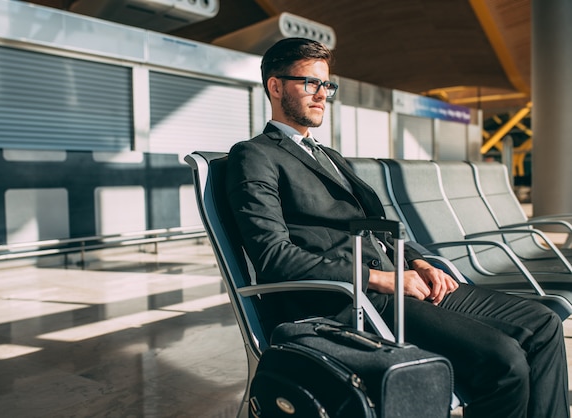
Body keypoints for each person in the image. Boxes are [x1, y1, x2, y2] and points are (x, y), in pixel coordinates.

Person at [226, 37, 569, 418]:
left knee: (543, 324)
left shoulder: (328, 155)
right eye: (311, 83)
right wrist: (384, 279)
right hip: (348, 299)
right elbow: (274, 257)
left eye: (327, 85)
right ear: (275, 86)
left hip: (399, 281)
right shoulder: (255, 155)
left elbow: (381, 229)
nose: (322, 95)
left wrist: (419, 263)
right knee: (503, 361)